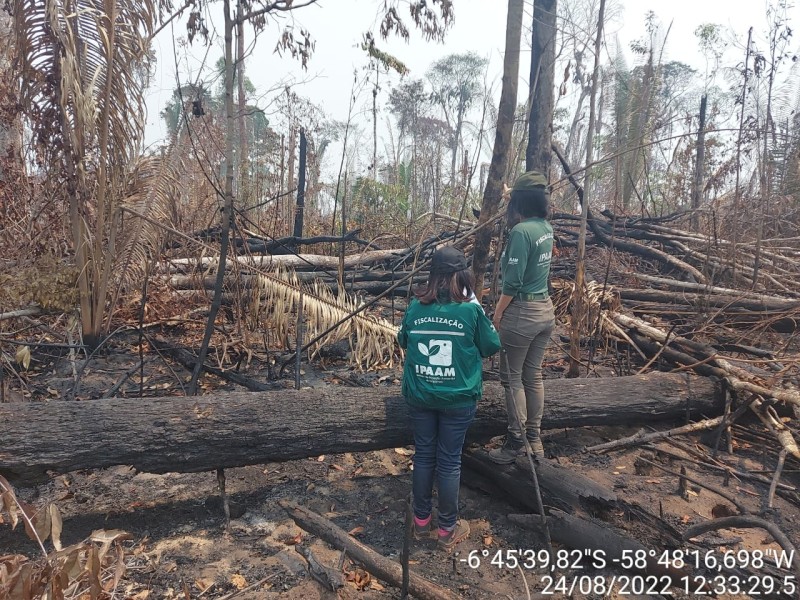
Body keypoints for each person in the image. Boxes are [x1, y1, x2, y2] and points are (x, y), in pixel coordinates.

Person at [397, 245, 501, 551]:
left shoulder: (416, 307)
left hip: (421, 396)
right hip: (458, 399)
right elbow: (492, 345)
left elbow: (402, 339)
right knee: (449, 461)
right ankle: (446, 530)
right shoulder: (470, 310)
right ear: (463, 275)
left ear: (432, 275)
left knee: (424, 455)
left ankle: (420, 522)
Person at [489, 170, 556, 464]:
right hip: (545, 310)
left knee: (512, 379)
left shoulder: (520, 232)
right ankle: (535, 440)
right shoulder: (545, 227)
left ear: (520, 201)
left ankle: (516, 440)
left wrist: (498, 312)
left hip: (522, 313)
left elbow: (512, 282)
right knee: (533, 375)